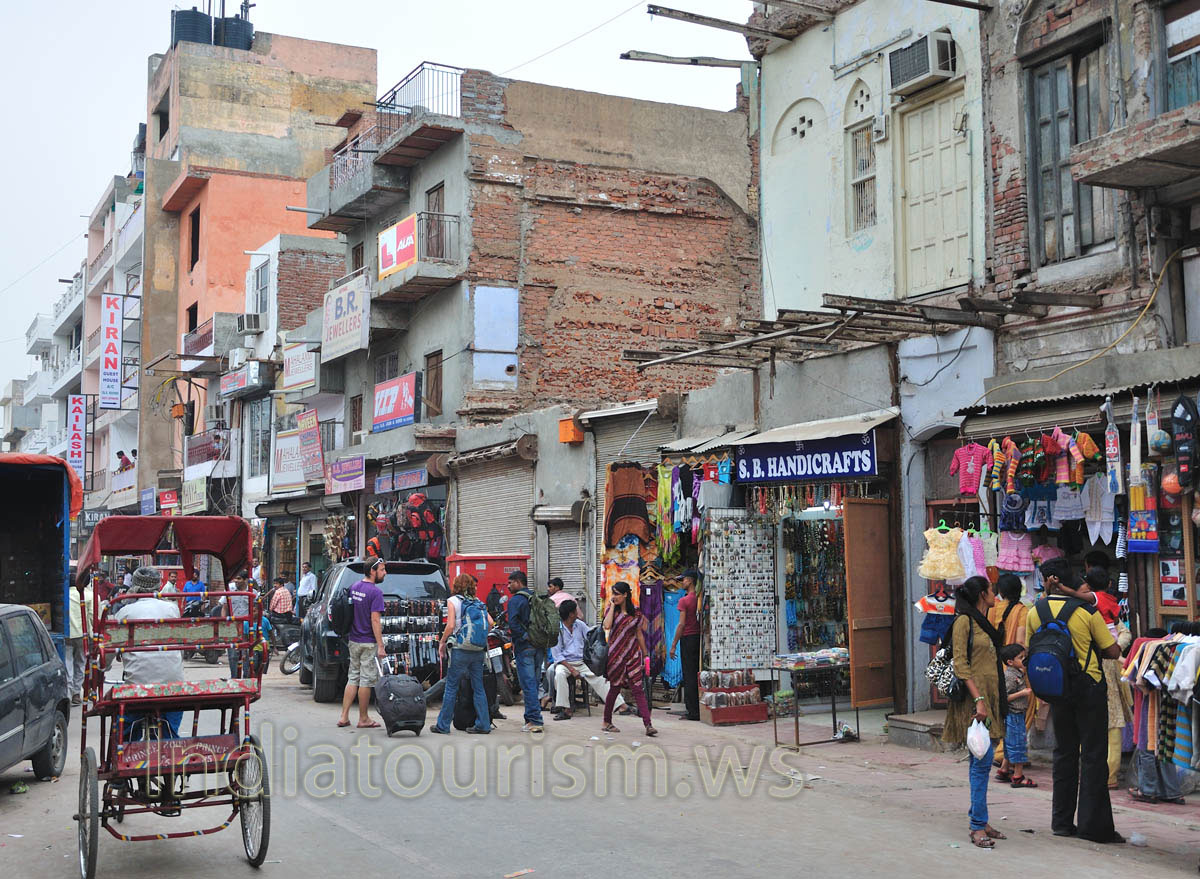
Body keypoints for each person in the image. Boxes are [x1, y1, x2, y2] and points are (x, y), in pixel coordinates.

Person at [1026, 557, 1123, 843]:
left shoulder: (1035, 611)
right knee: (1093, 756)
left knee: (1064, 753)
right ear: (1069, 579)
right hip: (1088, 687)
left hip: (1057, 688)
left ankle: (1061, 822)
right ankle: (1094, 827)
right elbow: (1113, 651)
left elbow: (1033, 645)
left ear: (1047, 581)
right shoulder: (1085, 611)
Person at [941, 575, 1007, 849]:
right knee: (982, 761)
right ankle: (977, 825)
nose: (996, 594)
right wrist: (979, 699)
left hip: (989, 699)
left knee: (980, 760)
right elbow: (961, 664)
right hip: (974, 702)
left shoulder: (983, 623)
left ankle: (980, 818)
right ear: (982, 593)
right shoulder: (963, 622)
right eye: (992, 590)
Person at [114, 567, 185, 737]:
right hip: (172, 685)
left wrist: (102, 668)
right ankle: (170, 741)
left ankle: (127, 748)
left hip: (138, 688)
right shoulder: (172, 610)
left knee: (125, 729)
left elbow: (109, 651)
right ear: (158, 586)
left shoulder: (124, 612)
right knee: (170, 724)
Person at [430, 573, 493, 735]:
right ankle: (483, 725)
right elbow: (491, 623)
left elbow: (450, 625)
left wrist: (442, 642)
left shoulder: (453, 601)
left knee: (451, 687)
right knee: (478, 687)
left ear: (456, 586)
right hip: (478, 650)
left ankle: (443, 726)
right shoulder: (478, 602)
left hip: (460, 649)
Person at [1128, 627, 1184, 804]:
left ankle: (1148, 790)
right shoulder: (1180, 648)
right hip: (1174, 703)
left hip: (1152, 702)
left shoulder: (1147, 646)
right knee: (1166, 744)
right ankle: (1172, 792)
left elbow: (1137, 680)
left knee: (1147, 745)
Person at [549, 599, 624, 720]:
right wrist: (572, 670)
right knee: (559, 674)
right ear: (571, 614)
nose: (578, 613)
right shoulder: (557, 630)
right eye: (575, 611)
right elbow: (557, 656)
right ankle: (565, 709)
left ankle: (620, 705)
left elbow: (591, 636)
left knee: (600, 677)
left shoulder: (579, 625)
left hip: (582, 662)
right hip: (565, 664)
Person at [602, 581, 657, 737]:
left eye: (617, 594)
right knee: (614, 689)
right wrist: (612, 606)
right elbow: (607, 625)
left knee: (638, 690)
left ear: (625, 595)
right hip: (615, 656)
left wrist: (645, 653)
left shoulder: (636, 613)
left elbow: (639, 634)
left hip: (632, 655)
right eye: (613, 593)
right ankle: (606, 722)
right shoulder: (612, 610)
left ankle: (648, 724)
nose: (614, 597)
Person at [337, 558, 387, 729]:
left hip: (354, 640)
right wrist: (380, 645)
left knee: (352, 677)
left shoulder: (355, 587)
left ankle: (344, 716)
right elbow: (375, 620)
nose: (384, 573)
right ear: (372, 571)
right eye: (382, 570)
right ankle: (363, 718)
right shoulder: (376, 593)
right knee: (366, 680)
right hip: (368, 642)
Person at [506, 570, 544, 733]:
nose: (508, 586)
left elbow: (513, 624)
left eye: (510, 582)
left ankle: (535, 721)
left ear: (518, 582)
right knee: (534, 683)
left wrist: (524, 636)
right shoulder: (538, 597)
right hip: (540, 646)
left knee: (528, 685)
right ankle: (530, 718)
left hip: (525, 647)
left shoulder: (516, 600)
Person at [996, 644, 1035, 788]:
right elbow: (1004, 697)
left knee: (1009, 743)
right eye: (1021, 657)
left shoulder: (1018, 673)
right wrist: (1022, 693)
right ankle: (1018, 776)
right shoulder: (1010, 676)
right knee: (1018, 744)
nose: (1024, 660)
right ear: (1010, 662)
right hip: (1014, 714)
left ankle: (1004, 769)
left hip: (1015, 715)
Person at [668, 568, 702, 721]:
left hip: (687, 638)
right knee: (694, 673)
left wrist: (673, 644)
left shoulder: (685, 600)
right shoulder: (698, 598)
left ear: (690, 580)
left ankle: (692, 711)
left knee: (688, 675)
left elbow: (681, 625)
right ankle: (695, 709)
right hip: (696, 638)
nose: (681, 582)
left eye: (683, 579)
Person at [66, 574, 93, 706]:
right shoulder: (89, 595)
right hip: (83, 635)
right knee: (80, 663)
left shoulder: (64, 595)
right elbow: (93, 616)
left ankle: (68, 693)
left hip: (67, 635)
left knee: (67, 663)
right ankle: (76, 693)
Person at [220, 573, 253, 679]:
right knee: (233, 655)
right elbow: (224, 608)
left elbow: (256, 610)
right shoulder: (229, 590)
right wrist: (224, 623)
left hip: (247, 629)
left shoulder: (252, 593)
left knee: (246, 654)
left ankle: (246, 678)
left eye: (239, 579)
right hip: (232, 626)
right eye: (235, 579)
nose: (236, 581)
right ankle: (234, 678)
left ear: (245, 580)